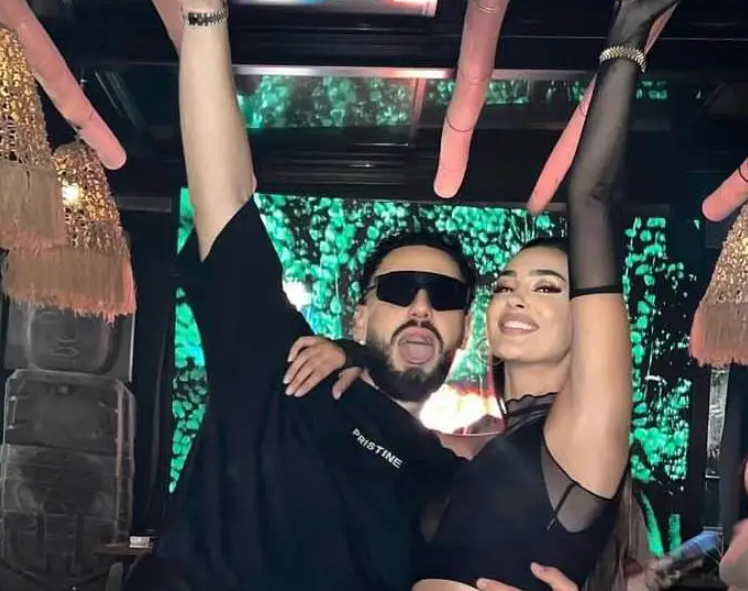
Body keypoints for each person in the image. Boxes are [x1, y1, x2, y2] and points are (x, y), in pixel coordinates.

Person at [121, 2, 564, 591]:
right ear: (359, 315)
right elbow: (223, 194)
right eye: (400, 290)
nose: (421, 308)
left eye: (444, 296)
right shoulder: (283, 369)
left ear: (463, 330)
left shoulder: (444, 480)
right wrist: (205, 16)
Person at [283, 0, 679, 589]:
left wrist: (627, 34)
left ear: (588, 322)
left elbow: (591, 197)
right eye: (506, 285)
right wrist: (356, 352)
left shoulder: (583, 432)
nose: (517, 298)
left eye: (547, 287)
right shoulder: (491, 450)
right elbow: (399, 429)